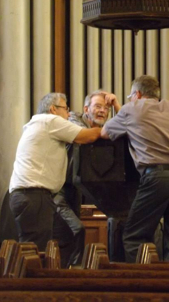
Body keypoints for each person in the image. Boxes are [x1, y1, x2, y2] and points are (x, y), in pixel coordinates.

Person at [101, 75, 169, 262]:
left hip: (158, 177)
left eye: (131, 96)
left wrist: (118, 107)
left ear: (137, 94)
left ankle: (142, 287)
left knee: (134, 237)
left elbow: (105, 132)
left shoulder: (131, 108)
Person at [9, 92, 101, 251]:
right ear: (53, 109)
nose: (69, 114)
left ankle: (52, 274)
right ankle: (33, 276)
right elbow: (88, 136)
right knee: (35, 250)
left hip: (28, 196)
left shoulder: (38, 123)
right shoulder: (50, 121)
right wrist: (114, 126)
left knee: (53, 240)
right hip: (34, 195)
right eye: (66, 109)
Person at [53, 90, 121, 267]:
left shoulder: (96, 129)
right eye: (97, 106)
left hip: (75, 190)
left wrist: (117, 107)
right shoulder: (73, 121)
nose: (102, 111)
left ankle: (71, 275)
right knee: (76, 231)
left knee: (72, 236)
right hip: (58, 188)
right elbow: (85, 132)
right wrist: (104, 130)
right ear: (86, 108)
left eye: (106, 108)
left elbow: (125, 128)